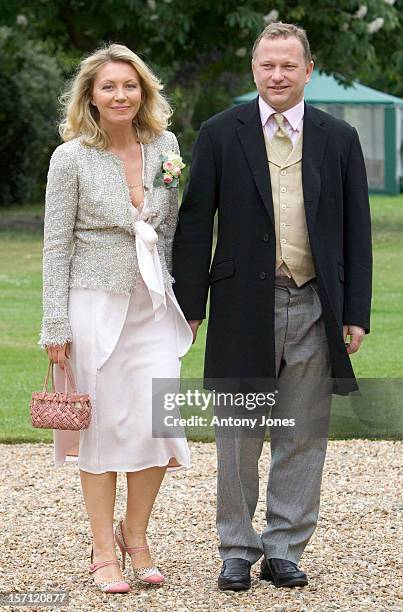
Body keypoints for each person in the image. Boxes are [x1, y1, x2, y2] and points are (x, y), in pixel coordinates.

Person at [173, 22, 372, 591]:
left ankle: (284, 547)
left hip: (315, 304)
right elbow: (194, 225)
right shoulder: (219, 132)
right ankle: (236, 547)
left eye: (289, 65)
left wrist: (355, 311)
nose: (277, 75)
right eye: (268, 65)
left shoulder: (339, 138)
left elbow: (358, 230)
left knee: (304, 432)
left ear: (308, 70)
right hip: (241, 305)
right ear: (254, 70)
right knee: (238, 432)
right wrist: (190, 306)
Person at [39, 43, 193, 593]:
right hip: (92, 304)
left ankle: (137, 534)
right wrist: (53, 324)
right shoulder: (71, 158)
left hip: (153, 305)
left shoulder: (167, 147)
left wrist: (181, 303)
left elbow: (170, 231)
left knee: (157, 421)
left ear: (143, 92)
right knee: (101, 427)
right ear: (91, 97)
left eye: (130, 85)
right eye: (109, 87)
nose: (121, 94)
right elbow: (56, 246)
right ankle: (103, 551)